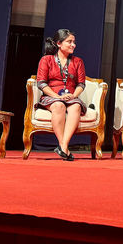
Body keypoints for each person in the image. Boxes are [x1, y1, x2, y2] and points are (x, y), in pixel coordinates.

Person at [36, 29, 87, 161]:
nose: (73, 45)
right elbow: (41, 83)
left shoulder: (78, 61)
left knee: (76, 107)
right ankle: (63, 146)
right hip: (52, 96)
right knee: (58, 106)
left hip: (71, 96)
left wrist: (74, 95)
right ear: (59, 43)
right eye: (69, 42)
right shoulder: (46, 60)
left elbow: (81, 84)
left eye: (74, 42)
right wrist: (56, 96)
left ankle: (63, 146)